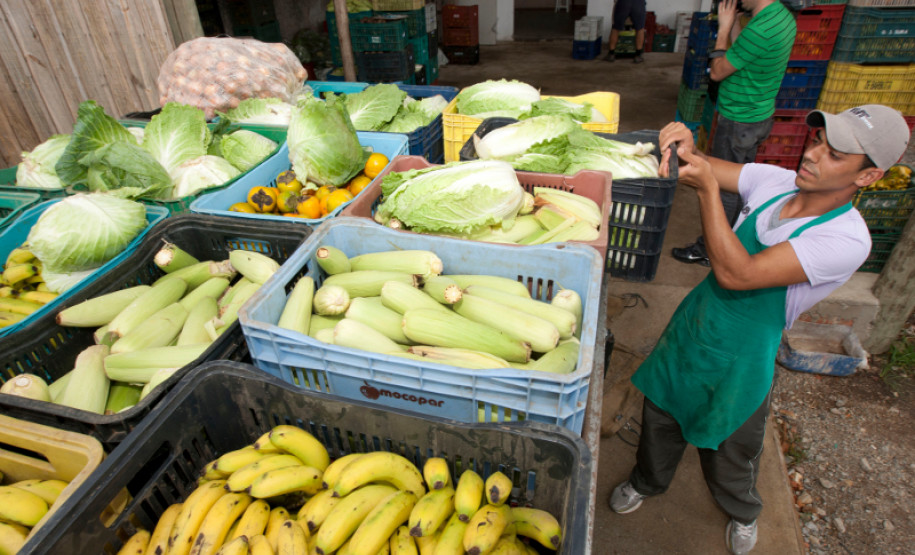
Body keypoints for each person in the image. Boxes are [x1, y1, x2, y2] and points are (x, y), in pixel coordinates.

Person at [608, 104, 910, 555]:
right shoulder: (776, 181)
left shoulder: (847, 239)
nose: (812, 155)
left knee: (730, 451)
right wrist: (691, 151)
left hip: (743, 358)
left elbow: (739, 274)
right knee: (660, 420)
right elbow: (711, 166)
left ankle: (742, 510)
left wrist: (708, 191)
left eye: (835, 154)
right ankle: (647, 482)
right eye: (817, 141)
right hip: (695, 326)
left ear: (867, 177)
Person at [672, 0, 796, 266]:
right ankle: (732, 240)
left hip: (739, 119)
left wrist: (724, 28)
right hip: (758, 114)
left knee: (722, 186)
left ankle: (709, 250)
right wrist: (737, 25)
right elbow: (743, 50)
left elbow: (717, 71)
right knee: (741, 181)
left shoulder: (762, 28)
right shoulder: (781, 17)